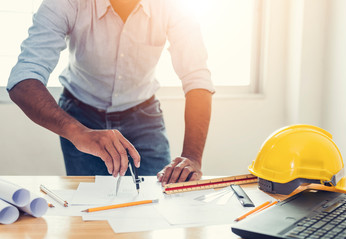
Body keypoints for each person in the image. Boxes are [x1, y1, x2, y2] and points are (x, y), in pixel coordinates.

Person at [7, 0, 214, 186]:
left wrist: (193, 157)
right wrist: (78, 132)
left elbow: (196, 77)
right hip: (80, 115)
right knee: (89, 211)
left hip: (144, 117)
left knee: (160, 199)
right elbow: (22, 79)